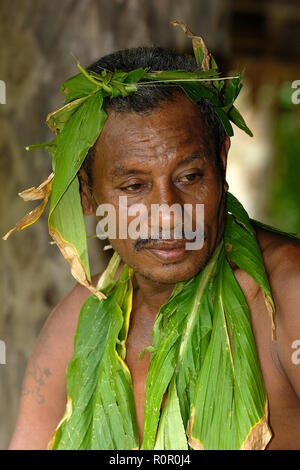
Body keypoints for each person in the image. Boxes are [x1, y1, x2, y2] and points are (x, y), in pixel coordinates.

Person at [7, 46, 300, 451]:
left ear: (221, 163)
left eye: (190, 176)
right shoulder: (82, 318)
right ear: (87, 194)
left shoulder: (285, 298)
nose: (167, 214)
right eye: (134, 187)